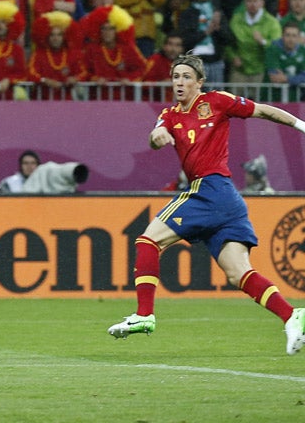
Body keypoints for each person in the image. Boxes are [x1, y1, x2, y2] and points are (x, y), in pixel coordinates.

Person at [107, 51, 305, 357]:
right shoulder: (170, 115)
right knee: (238, 273)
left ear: (200, 82)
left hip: (210, 188)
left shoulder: (217, 101)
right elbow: (156, 132)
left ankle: (144, 315)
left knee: (148, 240)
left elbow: (263, 111)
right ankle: (291, 315)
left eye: (187, 77)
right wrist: (157, 136)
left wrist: (301, 125)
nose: (180, 83)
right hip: (227, 201)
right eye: (175, 77)